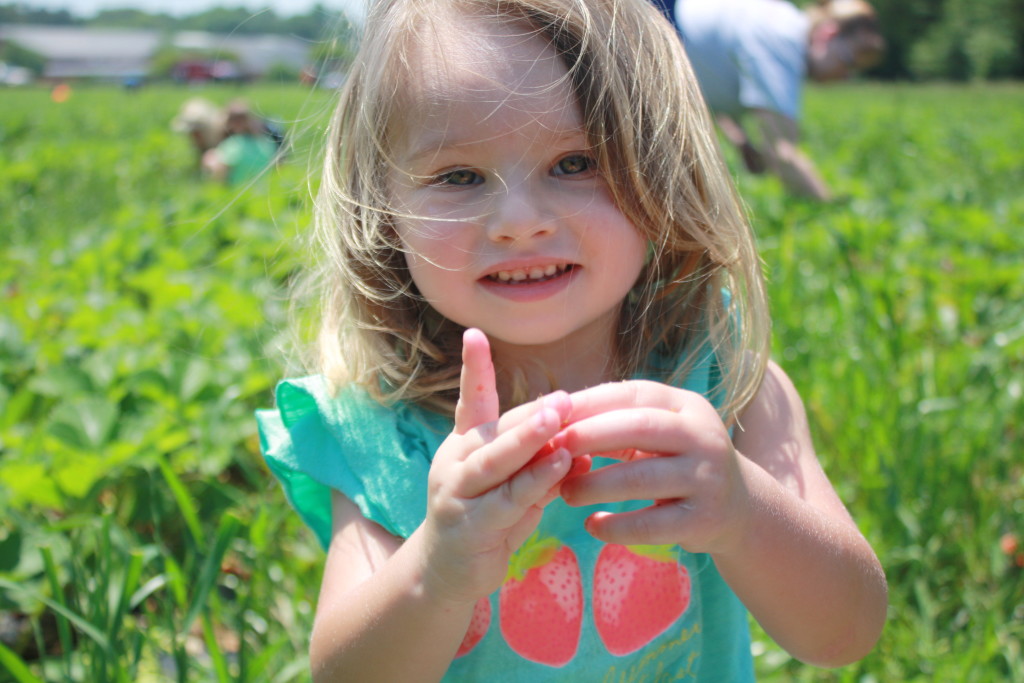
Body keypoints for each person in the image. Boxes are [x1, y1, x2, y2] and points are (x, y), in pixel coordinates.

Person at [255, 0, 888, 680]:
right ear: (382, 209)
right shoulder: (383, 428)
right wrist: (436, 570)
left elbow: (844, 631)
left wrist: (742, 510)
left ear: (663, 168)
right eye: (458, 176)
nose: (518, 221)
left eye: (577, 162)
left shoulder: (722, 377)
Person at [653, 0, 885, 201]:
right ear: (828, 34)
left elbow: (710, 71)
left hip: (662, 32)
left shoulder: (781, 18)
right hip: (652, 25)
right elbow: (782, 153)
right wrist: (828, 209)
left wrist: (739, 140)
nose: (844, 77)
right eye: (848, 62)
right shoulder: (782, 42)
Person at [201, 99, 279, 185]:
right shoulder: (266, 142)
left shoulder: (233, 145)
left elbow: (220, 171)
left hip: (239, 192)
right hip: (265, 191)